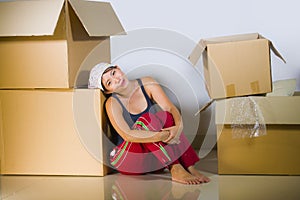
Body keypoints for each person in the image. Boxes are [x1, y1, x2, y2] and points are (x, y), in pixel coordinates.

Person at [88, 62, 210, 185]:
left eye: (113, 73)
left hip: (153, 160)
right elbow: (128, 135)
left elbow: (170, 108)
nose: (116, 79)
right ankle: (175, 167)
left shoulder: (147, 83)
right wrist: (164, 136)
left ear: (118, 68)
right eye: (109, 83)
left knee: (167, 116)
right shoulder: (112, 103)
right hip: (127, 160)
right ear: (108, 91)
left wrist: (178, 127)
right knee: (146, 120)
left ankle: (190, 167)